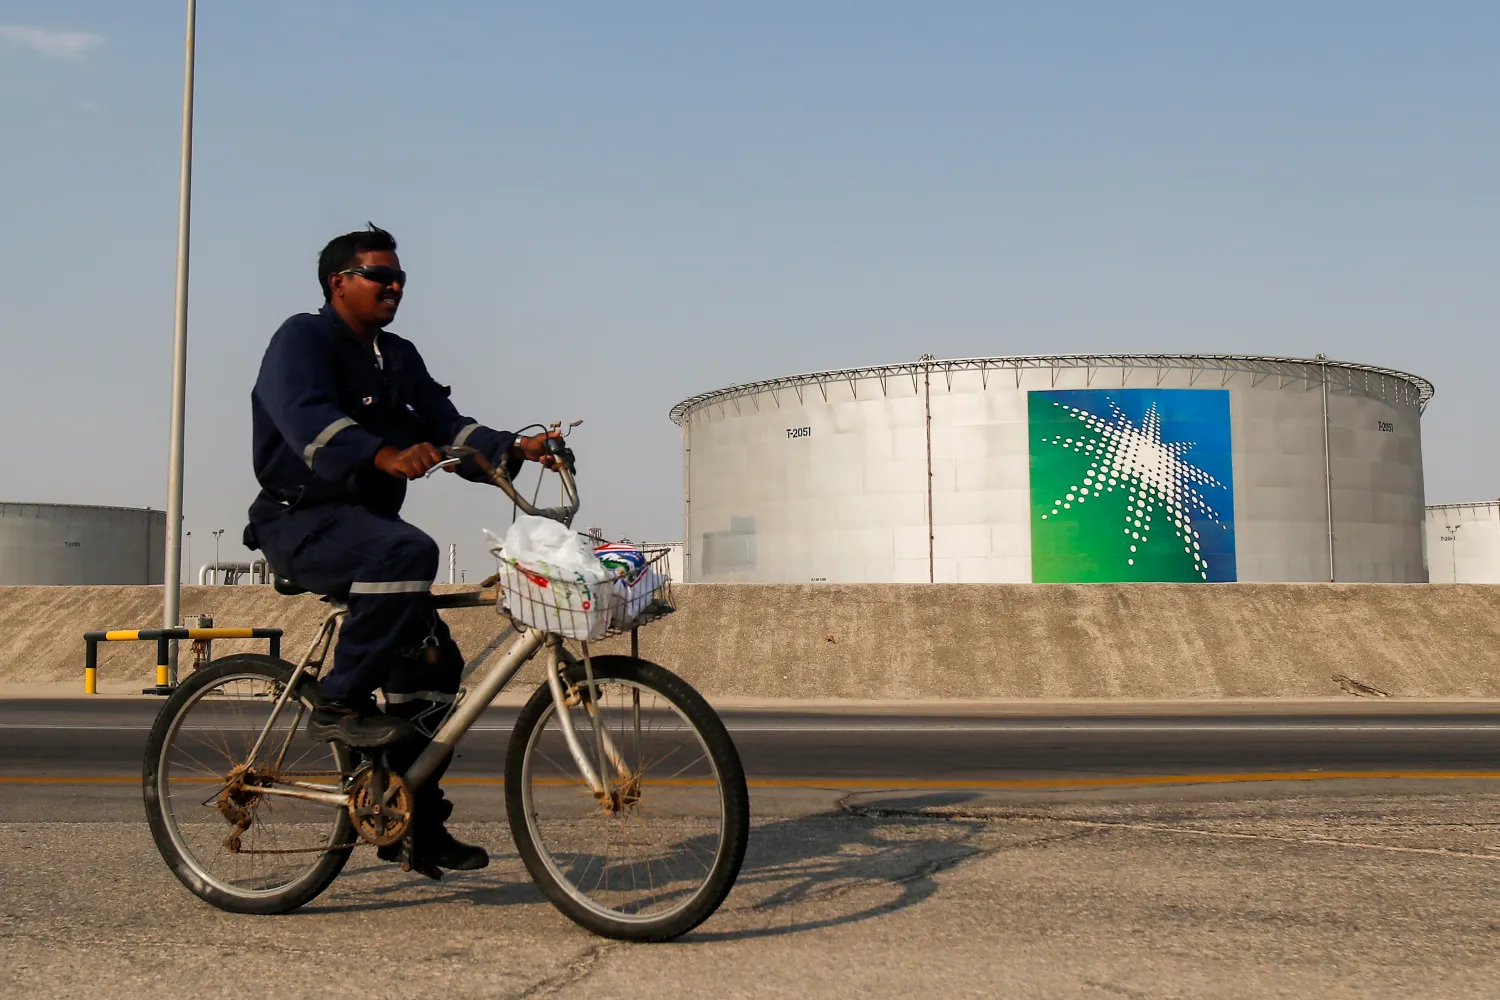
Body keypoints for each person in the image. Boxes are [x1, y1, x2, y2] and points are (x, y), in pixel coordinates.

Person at [243, 223, 554, 876]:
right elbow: (306, 422)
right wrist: (381, 452)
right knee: (409, 553)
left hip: (363, 527)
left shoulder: (398, 356)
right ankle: (338, 699)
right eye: (380, 276)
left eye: (400, 278)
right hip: (303, 520)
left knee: (435, 668)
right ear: (339, 284)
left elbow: (449, 427)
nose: (394, 287)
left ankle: (413, 826)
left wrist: (513, 449)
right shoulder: (301, 340)